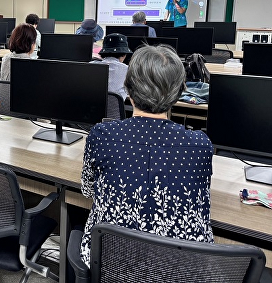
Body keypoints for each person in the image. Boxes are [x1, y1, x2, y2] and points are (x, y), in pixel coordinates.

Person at [78, 44, 213, 268]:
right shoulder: (200, 145)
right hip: (180, 269)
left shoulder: (103, 136)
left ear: (127, 89)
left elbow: (87, 190)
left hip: (110, 263)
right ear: (180, 92)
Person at [89, 33, 131, 100]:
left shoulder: (90, 66)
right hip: (114, 110)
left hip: (91, 108)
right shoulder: (128, 70)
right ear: (124, 55)